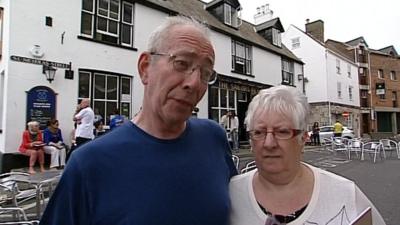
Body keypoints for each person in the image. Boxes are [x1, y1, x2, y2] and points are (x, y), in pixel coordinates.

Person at [40, 16, 237, 225]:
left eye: (205, 73)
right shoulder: (88, 163)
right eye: (181, 63)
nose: (194, 83)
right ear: (145, 68)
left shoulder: (213, 137)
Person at [229, 85, 385, 225]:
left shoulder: (346, 194)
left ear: (303, 138)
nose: (269, 143)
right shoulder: (229, 194)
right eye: (259, 132)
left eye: (283, 132)